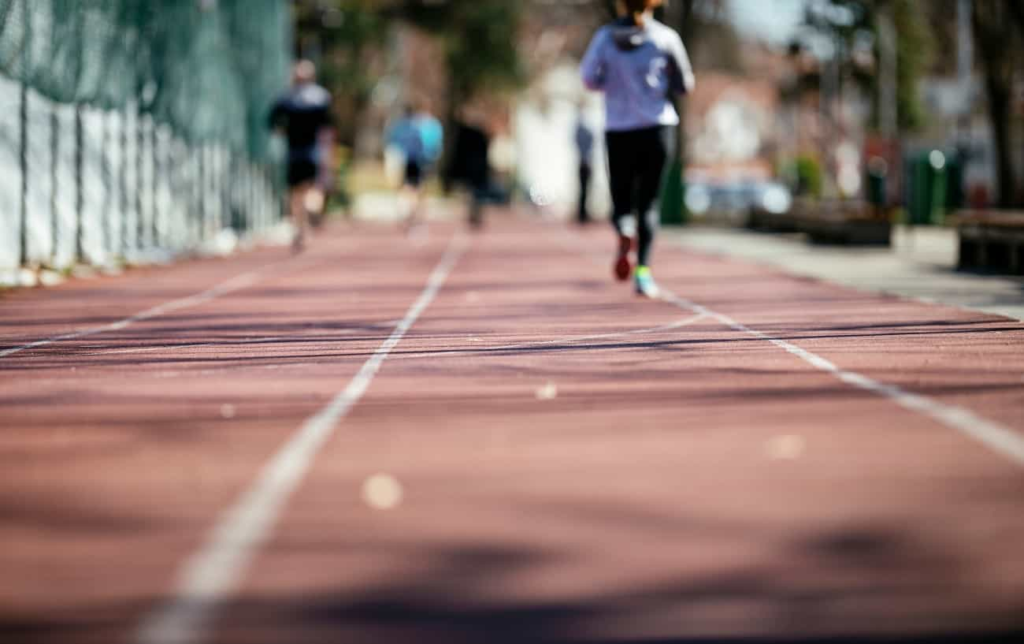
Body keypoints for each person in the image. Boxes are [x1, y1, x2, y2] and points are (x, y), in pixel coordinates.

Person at [580, 0, 694, 298]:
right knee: (649, 204)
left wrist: (611, 82)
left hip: (619, 129)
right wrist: (662, 85)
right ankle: (643, 274)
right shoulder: (666, 38)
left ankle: (624, 229)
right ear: (652, 5)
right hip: (658, 128)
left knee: (621, 199)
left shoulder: (605, 37)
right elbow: (686, 84)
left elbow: (588, 78)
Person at [269, 60, 335, 252]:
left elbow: (271, 121)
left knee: (295, 193)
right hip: (312, 151)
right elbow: (328, 124)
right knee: (312, 188)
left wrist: (281, 130)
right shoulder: (321, 97)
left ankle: (299, 226)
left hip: (294, 152)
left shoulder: (286, 98)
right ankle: (310, 211)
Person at [387, 102, 444, 232]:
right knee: (416, 188)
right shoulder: (416, 127)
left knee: (409, 187)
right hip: (416, 160)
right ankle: (411, 212)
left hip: (409, 160)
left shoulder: (402, 126)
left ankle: (408, 211)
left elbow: (392, 142)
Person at [574, 110, 595, 225]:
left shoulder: (580, 130)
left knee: (585, 190)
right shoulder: (585, 130)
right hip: (585, 162)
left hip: (584, 162)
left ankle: (583, 214)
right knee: (584, 190)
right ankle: (582, 214)